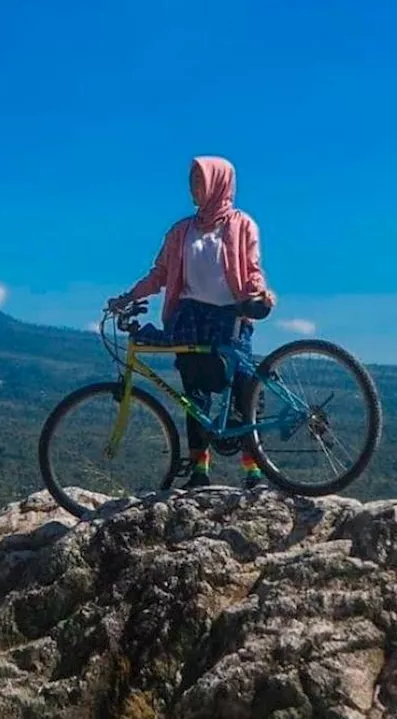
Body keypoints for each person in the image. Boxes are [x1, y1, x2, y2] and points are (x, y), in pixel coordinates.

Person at [108, 155, 276, 489]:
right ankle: (199, 469)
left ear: (218, 183)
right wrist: (128, 297)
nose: (193, 188)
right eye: (191, 182)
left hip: (230, 315)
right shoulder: (180, 231)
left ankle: (253, 470)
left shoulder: (242, 225)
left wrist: (258, 295)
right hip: (189, 315)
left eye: (199, 181)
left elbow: (252, 267)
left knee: (243, 389)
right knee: (194, 394)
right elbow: (160, 274)